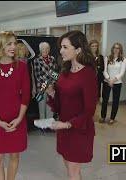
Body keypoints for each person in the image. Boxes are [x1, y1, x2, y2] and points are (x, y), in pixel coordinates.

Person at [45, 30, 98, 180]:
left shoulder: (87, 74)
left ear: (78, 50)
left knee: (73, 172)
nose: (61, 51)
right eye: (61, 47)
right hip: (64, 128)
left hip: (78, 129)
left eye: (65, 47)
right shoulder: (65, 72)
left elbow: (89, 110)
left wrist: (67, 125)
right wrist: (52, 94)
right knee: (70, 169)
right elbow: (60, 105)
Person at [0, 31, 30, 180]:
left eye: (15, 43)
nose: (13, 47)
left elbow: (26, 97)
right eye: (9, 43)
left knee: (15, 156)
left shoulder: (21, 67)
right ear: (0, 45)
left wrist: (19, 118)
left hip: (17, 120)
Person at [100, 42, 126, 124]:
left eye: (118, 48)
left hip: (117, 83)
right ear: (112, 49)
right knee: (105, 100)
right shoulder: (107, 58)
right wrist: (108, 80)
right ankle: (103, 117)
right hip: (106, 82)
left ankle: (112, 118)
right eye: (115, 48)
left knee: (115, 101)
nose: (116, 49)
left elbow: (122, 73)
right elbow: (104, 71)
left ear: (120, 50)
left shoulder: (123, 59)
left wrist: (113, 80)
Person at [33, 42, 59, 120]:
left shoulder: (52, 59)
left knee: (50, 106)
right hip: (41, 87)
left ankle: (49, 124)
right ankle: (43, 125)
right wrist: (46, 86)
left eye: (47, 48)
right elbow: (38, 75)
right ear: (40, 50)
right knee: (41, 106)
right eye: (43, 49)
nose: (45, 50)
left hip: (51, 87)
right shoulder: (37, 60)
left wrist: (52, 85)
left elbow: (55, 73)